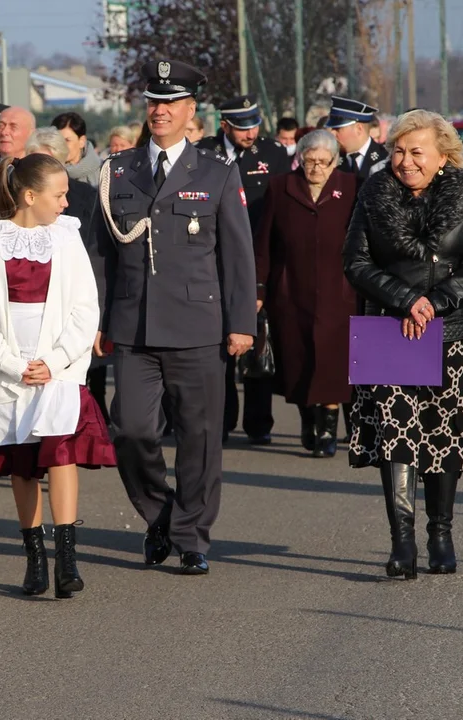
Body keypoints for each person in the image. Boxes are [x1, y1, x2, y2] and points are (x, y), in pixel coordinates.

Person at [90, 59, 257, 575]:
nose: (160, 111)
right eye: (153, 102)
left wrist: (242, 324)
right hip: (134, 326)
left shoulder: (216, 172)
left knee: (199, 437)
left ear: (190, 112)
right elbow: (101, 255)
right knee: (131, 429)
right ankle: (160, 515)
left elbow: (236, 254)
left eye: (171, 103)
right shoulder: (119, 169)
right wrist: (95, 320)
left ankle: (191, 537)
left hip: (198, 326)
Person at [343, 109, 463, 580]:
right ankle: (401, 542)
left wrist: (435, 303)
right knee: (397, 439)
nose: (405, 160)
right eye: (398, 150)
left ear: (442, 157)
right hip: (391, 332)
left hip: (453, 333)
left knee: (443, 435)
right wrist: (407, 299)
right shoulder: (373, 192)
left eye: (417, 152)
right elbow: (354, 262)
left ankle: (440, 533)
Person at [0, 154, 116, 598]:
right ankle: (34, 560)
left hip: (58, 371)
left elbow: (86, 308)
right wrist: (13, 364)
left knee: (61, 453)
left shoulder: (67, 239)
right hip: (9, 373)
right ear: (30, 196)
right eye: (60, 194)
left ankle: (67, 559)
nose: (67, 203)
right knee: (23, 464)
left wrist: (56, 360)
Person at [255, 129, 359, 458]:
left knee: (332, 362)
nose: (315, 168)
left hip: (338, 292)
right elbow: (264, 244)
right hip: (290, 290)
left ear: (335, 162)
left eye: (323, 162)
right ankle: (307, 419)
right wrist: (259, 287)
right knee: (297, 361)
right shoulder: (280, 187)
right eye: (309, 161)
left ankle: (328, 428)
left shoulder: (352, 187)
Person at [198, 94, 289, 444]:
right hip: (214, 257)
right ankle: (221, 420)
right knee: (217, 344)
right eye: (241, 127)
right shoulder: (204, 151)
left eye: (254, 125)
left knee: (255, 342)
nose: (250, 133)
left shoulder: (273, 154)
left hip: (256, 256)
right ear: (224, 126)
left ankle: (258, 423)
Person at [27, 127, 109, 425]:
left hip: (72, 300)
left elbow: (96, 256)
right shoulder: (13, 201)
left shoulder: (86, 196)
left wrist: (98, 315)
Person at [325, 96, 388, 179]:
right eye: (332, 129)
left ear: (359, 129)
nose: (332, 133)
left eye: (338, 129)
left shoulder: (385, 159)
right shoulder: (331, 161)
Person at [53, 111, 102, 188]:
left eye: (67, 140)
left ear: (82, 141)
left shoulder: (103, 172)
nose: (61, 146)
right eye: (57, 140)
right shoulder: (47, 173)